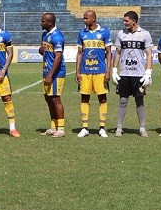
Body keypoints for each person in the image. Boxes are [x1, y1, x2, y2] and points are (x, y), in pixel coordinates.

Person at [111, 10, 153, 137]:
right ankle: (119, 128)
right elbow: (117, 53)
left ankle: (142, 128)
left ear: (134, 21)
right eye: (124, 21)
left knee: (139, 101)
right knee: (123, 100)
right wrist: (114, 70)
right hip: (124, 73)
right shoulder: (120, 34)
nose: (124, 23)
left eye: (126, 21)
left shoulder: (145, 34)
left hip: (139, 74)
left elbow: (149, 54)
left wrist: (148, 72)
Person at [75, 9, 111, 138]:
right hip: (85, 72)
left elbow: (109, 53)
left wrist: (108, 71)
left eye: (86, 18)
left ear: (93, 19)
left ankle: (102, 128)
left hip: (100, 71)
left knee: (102, 98)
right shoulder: (82, 33)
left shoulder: (104, 32)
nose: (84, 20)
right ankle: (85, 128)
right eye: (84, 18)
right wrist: (77, 71)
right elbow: (79, 53)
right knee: (84, 98)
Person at [39, 12, 67, 137]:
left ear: (50, 22)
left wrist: (50, 75)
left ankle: (60, 128)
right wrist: (41, 50)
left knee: (55, 98)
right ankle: (53, 126)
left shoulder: (57, 36)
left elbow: (58, 58)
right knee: (48, 98)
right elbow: (44, 51)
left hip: (56, 73)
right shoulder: (45, 34)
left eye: (43, 21)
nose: (41, 23)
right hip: (46, 71)